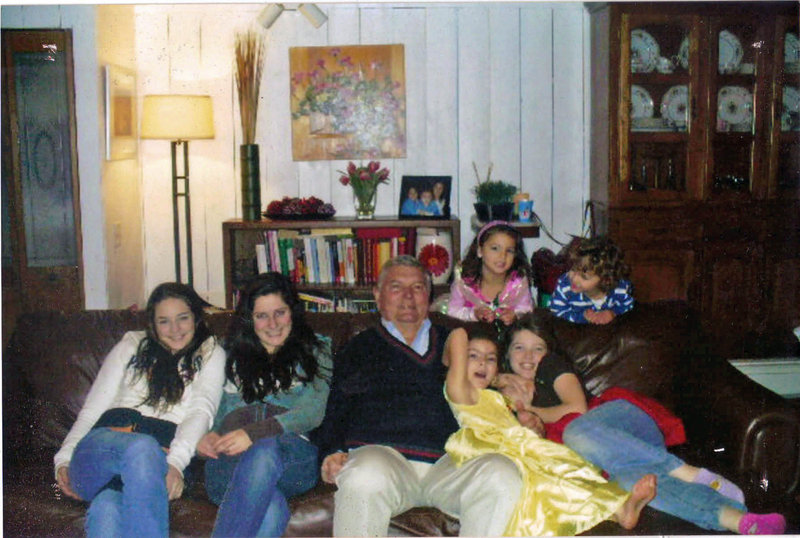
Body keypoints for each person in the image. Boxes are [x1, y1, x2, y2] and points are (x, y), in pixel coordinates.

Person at [496, 315, 787, 535]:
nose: (529, 356)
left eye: (538, 347)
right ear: (506, 356)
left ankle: (684, 470)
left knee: (576, 431)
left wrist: (528, 408)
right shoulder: (502, 390)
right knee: (630, 485)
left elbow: (577, 409)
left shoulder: (550, 366)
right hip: (608, 460)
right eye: (519, 348)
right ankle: (742, 521)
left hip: (619, 425)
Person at [313, 255, 523, 536]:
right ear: (378, 295)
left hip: (451, 462)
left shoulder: (456, 340)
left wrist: (520, 411)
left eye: (418, 288)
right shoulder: (358, 349)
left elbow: (484, 394)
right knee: (362, 476)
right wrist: (331, 451)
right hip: (384, 460)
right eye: (397, 287)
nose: (408, 297)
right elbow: (334, 408)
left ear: (430, 295)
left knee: (503, 473)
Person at [443, 325, 656, 536]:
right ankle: (618, 509)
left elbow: (516, 426)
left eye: (490, 359)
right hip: (494, 452)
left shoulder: (500, 397)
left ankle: (618, 508)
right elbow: (458, 334)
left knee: (565, 470)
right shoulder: (461, 391)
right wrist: (481, 371)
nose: (482, 362)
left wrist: (528, 423)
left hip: (522, 447)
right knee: (545, 482)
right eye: (473, 356)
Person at [54, 283, 226, 537]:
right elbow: (92, 409)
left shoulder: (211, 353)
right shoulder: (133, 344)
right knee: (142, 447)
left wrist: (176, 465)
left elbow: (201, 410)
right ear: (153, 325)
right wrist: (64, 459)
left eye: (183, 319)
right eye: (164, 321)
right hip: (102, 450)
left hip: (155, 462)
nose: (175, 329)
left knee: (107, 509)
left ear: (196, 318)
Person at [198, 272, 333, 537]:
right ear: (250, 320)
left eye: (279, 312)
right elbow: (208, 406)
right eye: (261, 316)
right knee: (270, 509)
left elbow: (312, 412)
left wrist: (254, 434)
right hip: (229, 461)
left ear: (292, 311)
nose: (272, 324)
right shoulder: (227, 354)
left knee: (264, 448)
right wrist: (206, 436)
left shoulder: (316, 350)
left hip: (291, 457)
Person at [438, 220, 533, 326]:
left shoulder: (518, 284)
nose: (502, 256)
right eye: (495, 248)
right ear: (480, 251)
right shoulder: (465, 283)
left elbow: (527, 310)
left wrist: (515, 315)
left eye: (509, 251)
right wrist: (473, 314)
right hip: (472, 334)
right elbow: (452, 311)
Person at [549, 236, 634, 324]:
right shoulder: (564, 286)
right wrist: (582, 317)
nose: (574, 278)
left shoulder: (620, 288)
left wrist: (613, 313)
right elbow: (556, 312)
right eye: (573, 270)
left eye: (584, 277)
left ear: (605, 280)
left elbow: (628, 306)